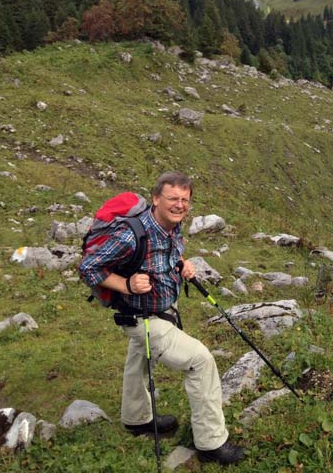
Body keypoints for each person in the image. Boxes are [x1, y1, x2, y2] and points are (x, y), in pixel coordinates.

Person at [79, 170, 244, 466]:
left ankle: (136, 418)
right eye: (173, 198)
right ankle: (211, 443)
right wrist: (127, 285)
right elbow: (89, 267)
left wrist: (181, 265)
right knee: (200, 361)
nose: (179, 205)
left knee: (139, 359)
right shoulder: (131, 234)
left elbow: (164, 253)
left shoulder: (172, 226)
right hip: (140, 316)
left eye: (185, 200)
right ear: (156, 199)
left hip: (161, 311)